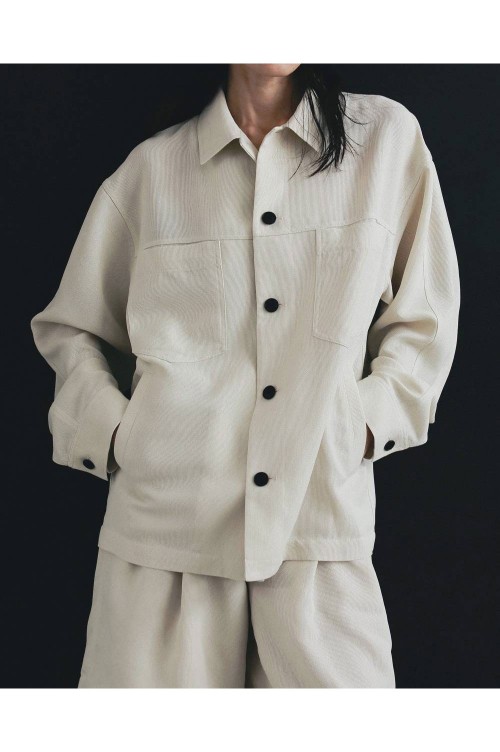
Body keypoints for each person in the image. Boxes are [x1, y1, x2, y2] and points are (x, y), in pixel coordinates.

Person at [30, 63, 461, 688]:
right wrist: (124, 438)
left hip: (318, 539)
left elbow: (427, 316)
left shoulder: (386, 140)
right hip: (164, 547)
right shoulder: (153, 170)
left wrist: (361, 426)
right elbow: (72, 328)